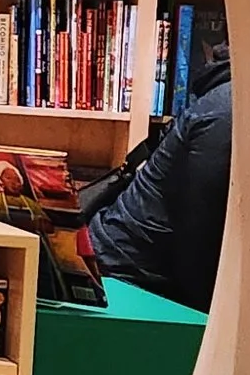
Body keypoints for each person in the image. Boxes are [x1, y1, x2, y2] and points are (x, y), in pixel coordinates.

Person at [85, 54, 232, 311]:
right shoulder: (227, 111)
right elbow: (199, 233)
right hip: (129, 278)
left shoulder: (230, 104)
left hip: (147, 272)